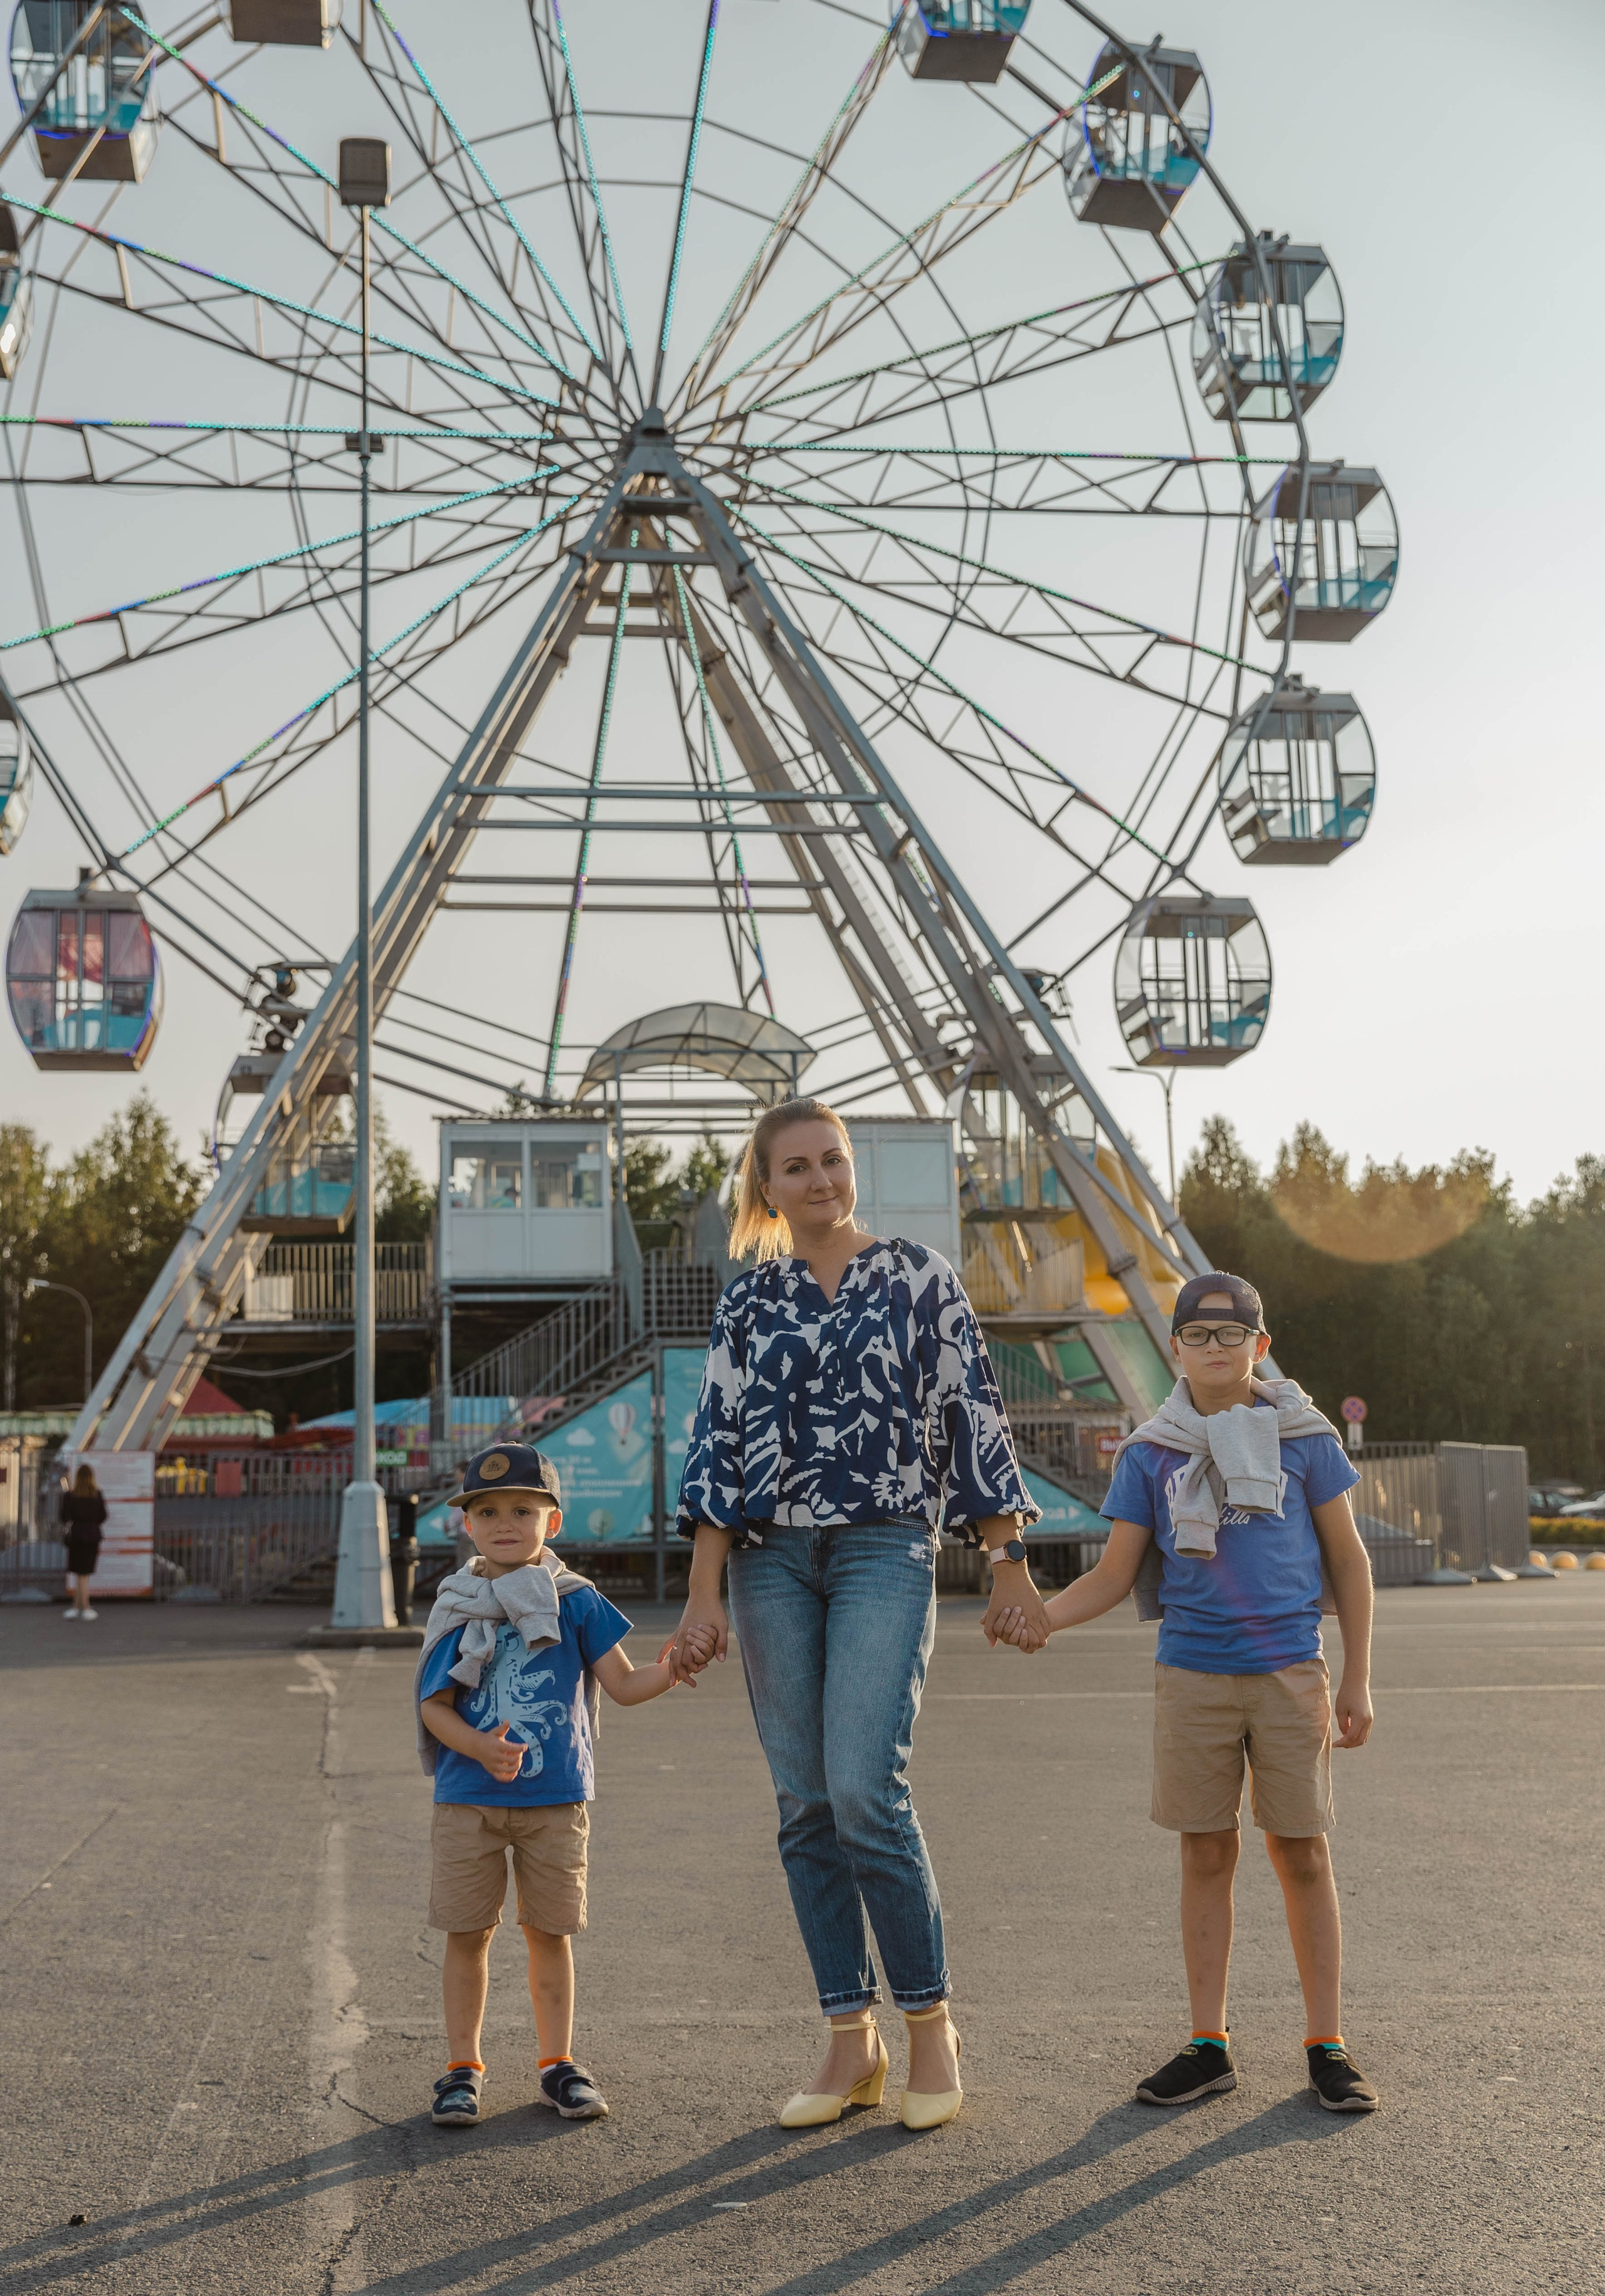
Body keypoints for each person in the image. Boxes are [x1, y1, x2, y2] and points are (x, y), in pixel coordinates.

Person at [666, 1096, 1045, 2133]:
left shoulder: (919, 1275)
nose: (822, 1178)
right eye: (797, 1166)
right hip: (768, 1558)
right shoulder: (748, 1302)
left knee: (863, 1787)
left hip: (886, 1542)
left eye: (833, 1158)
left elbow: (974, 1412)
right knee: (803, 1803)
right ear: (766, 1187)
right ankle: (849, 2033)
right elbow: (718, 1447)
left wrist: (1007, 1559)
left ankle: (930, 2023)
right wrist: (702, 1598)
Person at [991, 1271, 1380, 2114]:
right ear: (1174, 1347)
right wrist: (1043, 1621)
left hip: (1290, 1671)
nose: (1214, 1347)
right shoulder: (1150, 1451)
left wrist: (1357, 1676)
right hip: (1193, 1674)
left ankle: (1327, 2041)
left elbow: (1349, 1560)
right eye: (1198, 1335)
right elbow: (1113, 1573)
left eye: (1230, 1334)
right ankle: (1210, 2042)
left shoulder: (1306, 1437)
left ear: (1259, 1345)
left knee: (1303, 1852)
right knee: (1206, 1850)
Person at [415, 1443, 713, 2128]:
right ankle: (462, 2068)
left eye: (523, 1508)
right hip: (468, 1799)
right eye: (486, 1511)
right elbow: (432, 1707)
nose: (503, 1522)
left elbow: (625, 1683)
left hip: (555, 1801)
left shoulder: (575, 1601)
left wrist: (674, 1667)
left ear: (552, 1522)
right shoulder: (458, 1603)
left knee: (550, 1934)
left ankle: (557, 2065)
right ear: (466, 1525)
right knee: (467, 1935)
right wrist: (480, 1748)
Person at [59, 1462, 107, 1620]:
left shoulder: (70, 1496)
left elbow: (63, 1517)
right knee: (84, 1573)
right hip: (93, 1535)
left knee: (80, 1572)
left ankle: (79, 1607)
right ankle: (83, 1607)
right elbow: (103, 1516)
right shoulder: (97, 1495)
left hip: (76, 1535)